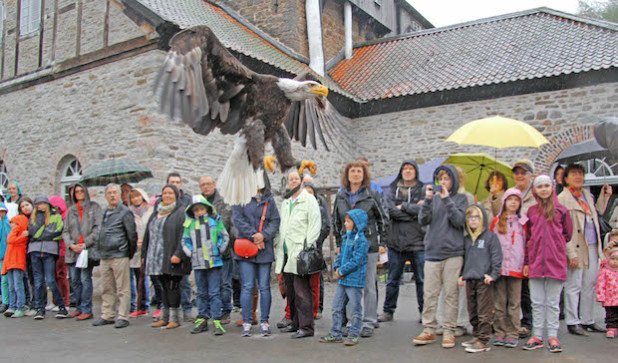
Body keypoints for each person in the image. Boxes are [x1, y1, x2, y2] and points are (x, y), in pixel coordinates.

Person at [413, 164, 468, 349]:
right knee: (430, 293)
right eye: (440, 179)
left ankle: (449, 330)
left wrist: (447, 200)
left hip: (453, 253)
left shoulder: (461, 199)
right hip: (432, 252)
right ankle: (428, 328)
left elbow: (460, 221)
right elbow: (422, 220)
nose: (443, 182)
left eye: (446, 179)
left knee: (451, 295)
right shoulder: (433, 199)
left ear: (453, 181)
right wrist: (428, 200)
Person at [332, 160, 387, 338]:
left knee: (369, 284)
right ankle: (352, 321)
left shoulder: (372, 195)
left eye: (359, 171)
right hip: (348, 247)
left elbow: (382, 220)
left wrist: (382, 243)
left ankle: (369, 321)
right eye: (353, 171)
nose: (356, 174)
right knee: (350, 285)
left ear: (364, 175)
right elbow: (336, 222)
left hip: (368, 246)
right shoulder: (340, 197)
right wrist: (340, 244)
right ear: (347, 175)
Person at [557, 163, 611, 335]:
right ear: (566, 178)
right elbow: (563, 229)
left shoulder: (586, 194)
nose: (578, 177)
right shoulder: (563, 198)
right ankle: (573, 322)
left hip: (593, 245)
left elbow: (597, 213)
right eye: (573, 174)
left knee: (590, 283)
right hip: (576, 246)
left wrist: (604, 196)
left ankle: (587, 319)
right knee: (574, 285)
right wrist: (570, 252)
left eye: (580, 173)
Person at [522, 175, 572, 353]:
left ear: (552, 187)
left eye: (546, 186)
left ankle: (553, 335)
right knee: (536, 301)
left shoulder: (561, 211)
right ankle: (537, 335)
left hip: (555, 263)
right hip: (535, 262)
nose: (543, 189)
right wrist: (527, 262)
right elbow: (528, 238)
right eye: (539, 186)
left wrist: (555, 247)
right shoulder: (532, 211)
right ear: (535, 190)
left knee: (552, 302)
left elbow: (567, 234)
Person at [276, 171, 321, 339]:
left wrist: (307, 247)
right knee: (291, 291)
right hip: (286, 252)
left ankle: (307, 327)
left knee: (302, 292)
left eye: (296, 178)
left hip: (300, 253)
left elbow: (315, 224)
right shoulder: (286, 203)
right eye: (290, 179)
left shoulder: (309, 200)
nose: (293, 181)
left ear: (301, 181)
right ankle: (295, 323)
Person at [379, 160, 425, 322]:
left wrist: (403, 206)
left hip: (418, 242)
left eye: (411, 168)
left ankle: (424, 312)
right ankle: (388, 311)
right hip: (396, 241)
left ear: (415, 171)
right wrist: (412, 211)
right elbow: (389, 211)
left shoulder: (422, 189)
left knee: (421, 280)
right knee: (392, 279)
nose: (407, 171)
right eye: (405, 168)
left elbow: (424, 210)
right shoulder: (392, 189)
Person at [233, 182, 280, 337]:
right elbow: (238, 220)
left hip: (264, 250)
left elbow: (275, 221)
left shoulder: (269, 200)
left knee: (265, 286)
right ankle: (247, 322)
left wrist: (264, 235)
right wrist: (254, 236)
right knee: (247, 286)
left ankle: (265, 322)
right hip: (247, 248)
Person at [319, 209, 369, 346]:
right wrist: (336, 266)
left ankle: (353, 334)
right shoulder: (346, 238)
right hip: (344, 280)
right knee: (336, 306)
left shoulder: (362, 241)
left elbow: (356, 261)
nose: (345, 224)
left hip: (354, 281)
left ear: (357, 223)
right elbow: (341, 256)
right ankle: (335, 333)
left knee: (355, 309)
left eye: (348, 221)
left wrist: (341, 271)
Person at [142, 184, 190, 329]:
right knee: (162, 286)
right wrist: (144, 254)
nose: (167, 196)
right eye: (165, 193)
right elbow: (147, 235)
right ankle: (164, 316)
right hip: (157, 257)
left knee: (172, 286)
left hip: (172, 256)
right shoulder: (156, 212)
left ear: (176, 196)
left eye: (170, 193)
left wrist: (178, 254)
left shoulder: (181, 212)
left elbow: (184, 235)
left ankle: (175, 318)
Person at [182, 195, 229, 335]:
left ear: (207, 208)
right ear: (192, 212)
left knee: (215, 292)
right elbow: (185, 241)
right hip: (198, 263)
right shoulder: (189, 225)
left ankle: (216, 319)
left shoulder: (215, 221)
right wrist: (191, 253)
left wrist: (219, 248)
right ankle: (202, 319)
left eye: (202, 209)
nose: (199, 212)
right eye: (196, 210)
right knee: (201, 292)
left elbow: (224, 236)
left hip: (214, 262)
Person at [92, 184, 137, 329]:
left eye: (115, 193)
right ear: (105, 196)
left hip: (119, 254)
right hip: (105, 255)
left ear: (119, 195)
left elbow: (132, 235)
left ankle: (123, 316)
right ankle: (107, 314)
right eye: (109, 193)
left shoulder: (125, 212)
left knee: (123, 288)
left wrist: (128, 252)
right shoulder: (104, 212)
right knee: (107, 287)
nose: (112, 195)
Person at [459, 205, 502, 353]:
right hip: (470, 279)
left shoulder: (490, 237)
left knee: (484, 312)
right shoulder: (466, 239)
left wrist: (493, 275)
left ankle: (484, 340)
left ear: (482, 219)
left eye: (476, 217)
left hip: (484, 279)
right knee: (473, 310)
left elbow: (497, 258)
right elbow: (464, 259)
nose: (473, 220)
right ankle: (476, 335)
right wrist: (462, 275)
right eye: (470, 217)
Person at [489, 187, 527, 348]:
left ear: (520, 203)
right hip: (499, 268)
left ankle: (513, 332)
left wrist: (526, 264)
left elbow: (527, 244)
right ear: (504, 202)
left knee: (514, 302)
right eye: (510, 199)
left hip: (516, 267)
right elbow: (491, 244)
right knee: (499, 302)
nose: (513, 202)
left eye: (516, 200)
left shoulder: (523, 222)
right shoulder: (497, 221)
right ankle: (500, 331)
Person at [62, 183, 101, 321]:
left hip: (86, 250)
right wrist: (71, 245)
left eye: (80, 191)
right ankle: (78, 307)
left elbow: (97, 229)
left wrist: (85, 243)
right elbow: (65, 230)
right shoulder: (71, 210)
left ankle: (86, 309)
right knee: (74, 280)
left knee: (85, 279)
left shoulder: (94, 208)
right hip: (73, 251)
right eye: (76, 192)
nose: (79, 193)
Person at [200, 175, 234, 324]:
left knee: (224, 283)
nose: (206, 187)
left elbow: (225, 221)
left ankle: (226, 310)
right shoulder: (198, 202)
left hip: (222, 249)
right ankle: (209, 311)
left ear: (214, 184)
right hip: (203, 252)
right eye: (203, 185)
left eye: (208, 184)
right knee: (206, 284)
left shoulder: (224, 200)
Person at [28, 196, 67, 320]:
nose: (41, 206)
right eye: (38, 204)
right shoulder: (34, 217)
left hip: (49, 251)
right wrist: (44, 234)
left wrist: (40, 236)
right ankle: (40, 308)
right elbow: (32, 232)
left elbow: (59, 231)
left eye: (43, 203)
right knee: (38, 281)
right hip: (34, 251)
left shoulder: (56, 216)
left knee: (50, 280)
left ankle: (62, 306)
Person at [512, 159, 536, 338]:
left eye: (523, 173)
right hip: (512, 246)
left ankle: (528, 321)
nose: (520, 176)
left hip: (530, 245)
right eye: (517, 173)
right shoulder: (510, 194)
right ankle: (513, 320)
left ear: (530, 175)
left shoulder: (535, 196)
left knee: (527, 287)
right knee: (514, 286)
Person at [164, 172, 193, 321]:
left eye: (177, 182)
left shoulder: (187, 201)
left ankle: (187, 309)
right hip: (168, 246)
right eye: (172, 182)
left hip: (182, 245)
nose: (175, 184)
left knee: (184, 281)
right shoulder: (162, 203)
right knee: (168, 282)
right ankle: (170, 311)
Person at [302, 179, 330, 318]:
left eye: (310, 193)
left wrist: (314, 242)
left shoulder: (320, 207)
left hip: (314, 249)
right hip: (300, 249)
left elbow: (325, 227)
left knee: (316, 280)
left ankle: (317, 308)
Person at [128, 188, 153, 318]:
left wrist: (145, 241)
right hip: (135, 249)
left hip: (148, 247)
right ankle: (139, 305)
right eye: (133, 197)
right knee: (138, 277)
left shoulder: (150, 211)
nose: (136, 199)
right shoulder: (129, 213)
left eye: (138, 196)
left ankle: (147, 304)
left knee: (150, 277)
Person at [2, 214, 29, 318]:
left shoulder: (22, 236)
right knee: (11, 286)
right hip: (10, 263)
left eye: (13, 224)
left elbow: (10, 239)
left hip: (17, 263)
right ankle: (12, 306)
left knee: (18, 286)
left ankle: (20, 307)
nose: (12, 226)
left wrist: (17, 228)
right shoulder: (19, 235)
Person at [596, 237, 618, 338]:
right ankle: (611, 328)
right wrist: (601, 296)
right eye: (613, 259)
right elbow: (601, 284)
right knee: (611, 315)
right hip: (610, 299)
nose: (615, 262)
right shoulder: (605, 270)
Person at [0, 203, 9, 313]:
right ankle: (5, 300)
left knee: (6, 280)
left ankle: (7, 302)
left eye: (2, 211)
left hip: (9, 256)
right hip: (1, 257)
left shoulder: (8, 223)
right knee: (3, 281)